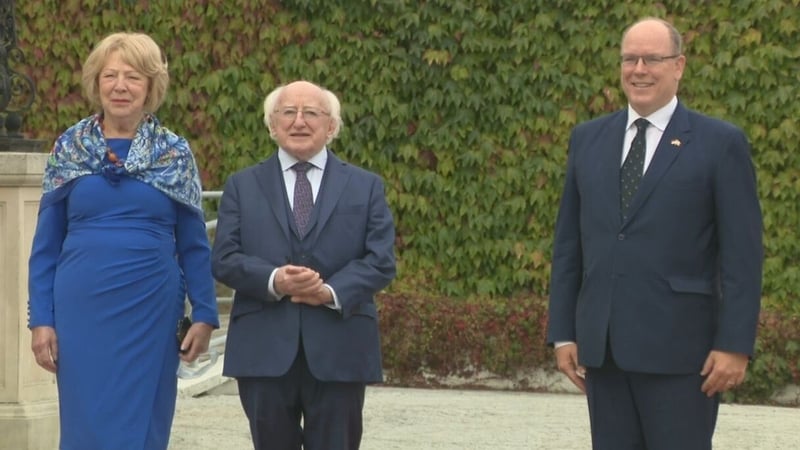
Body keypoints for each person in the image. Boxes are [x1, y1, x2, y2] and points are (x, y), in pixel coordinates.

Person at [546, 17, 763, 450]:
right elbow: (570, 244)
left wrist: (735, 345)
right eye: (630, 58)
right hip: (603, 353)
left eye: (652, 59)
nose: (639, 69)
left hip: (684, 357)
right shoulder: (587, 139)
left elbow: (742, 253)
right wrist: (564, 331)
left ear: (679, 66)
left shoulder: (720, 143)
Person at [27, 32, 219, 449]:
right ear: (96, 84)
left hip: (150, 311)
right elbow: (45, 247)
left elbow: (192, 244)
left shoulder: (174, 152)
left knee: (143, 424)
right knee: (85, 426)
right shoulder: (70, 147)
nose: (120, 86)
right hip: (81, 311)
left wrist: (205, 313)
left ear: (151, 86)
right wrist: (41, 319)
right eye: (109, 76)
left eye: (132, 77)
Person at [211, 80, 396, 450]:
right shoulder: (241, 186)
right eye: (288, 112)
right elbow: (225, 258)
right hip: (263, 350)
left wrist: (328, 291)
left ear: (332, 126)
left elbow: (380, 261)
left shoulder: (366, 187)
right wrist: (276, 280)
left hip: (340, 347)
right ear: (272, 125)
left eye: (311, 112)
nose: (299, 121)